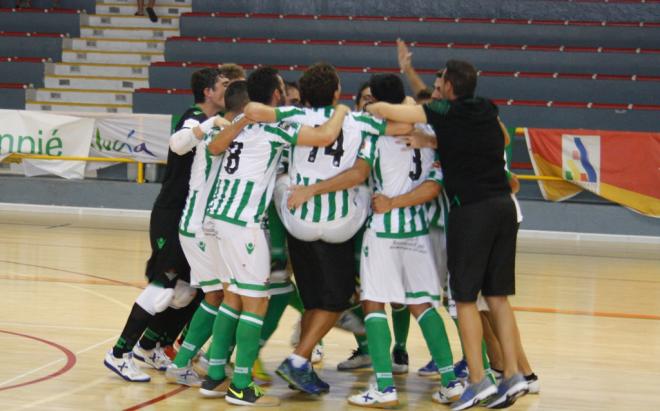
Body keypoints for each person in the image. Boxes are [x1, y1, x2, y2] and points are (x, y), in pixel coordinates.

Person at [287, 73, 464, 407]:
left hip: (384, 229)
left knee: (372, 303)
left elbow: (359, 173)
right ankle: (450, 381)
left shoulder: (374, 133)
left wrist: (390, 201)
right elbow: (435, 185)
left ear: (378, 103)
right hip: (419, 231)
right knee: (422, 305)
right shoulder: (428, 133)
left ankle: (384, 387)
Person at [365, 60, 530, 410]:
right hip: (504, 205)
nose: (436, 87)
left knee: (465, 299)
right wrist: (430, 138)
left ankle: (477, 380)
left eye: (440, 82)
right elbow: (469, 137)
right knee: (498, 297)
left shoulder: (443, 109)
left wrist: (373, 106)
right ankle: (513, 375)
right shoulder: (486, 108)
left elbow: (393, 111)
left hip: (472, 211)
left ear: (450, 87)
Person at [244, 63, 410, 395]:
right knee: (337, 301)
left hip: (297, 219)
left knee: (313, 300)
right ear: (336, 93)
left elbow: (253, 110)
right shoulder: (356, 120)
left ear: (302, 94)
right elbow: (400, 129)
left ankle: (302, 365)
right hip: (338, 224)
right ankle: (299, 358)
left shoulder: (292, 115)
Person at [198, 66, 350, 406]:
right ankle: (240, 384)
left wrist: (242, 120)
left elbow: (213, 148)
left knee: (232, 296)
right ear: (277, 96)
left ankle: (214, 374)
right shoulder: (276, 128)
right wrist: (341, 110)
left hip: (217, 219)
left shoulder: (241, 124)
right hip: (244, 222)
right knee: (256, 302)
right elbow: (325, 136)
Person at [103, 67, 229, 383]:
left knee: (190, 291)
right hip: (172, 215)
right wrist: (208, 124)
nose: (229, 89)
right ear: (208, 92)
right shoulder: (194, 117)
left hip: (193, 218)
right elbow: (178, 143)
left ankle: (149, 346)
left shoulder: (220, 125)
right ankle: (119, 353)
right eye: (224, 85)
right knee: (162, 288)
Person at [165, 78, 249, 387]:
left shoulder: (237, 130)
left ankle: (188, 360)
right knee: (224, 296)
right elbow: (177, 144)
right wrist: (207, 124)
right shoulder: (216, 128)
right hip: (202, 226)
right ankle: (197, 363)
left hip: (205, 225)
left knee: (217, 295)